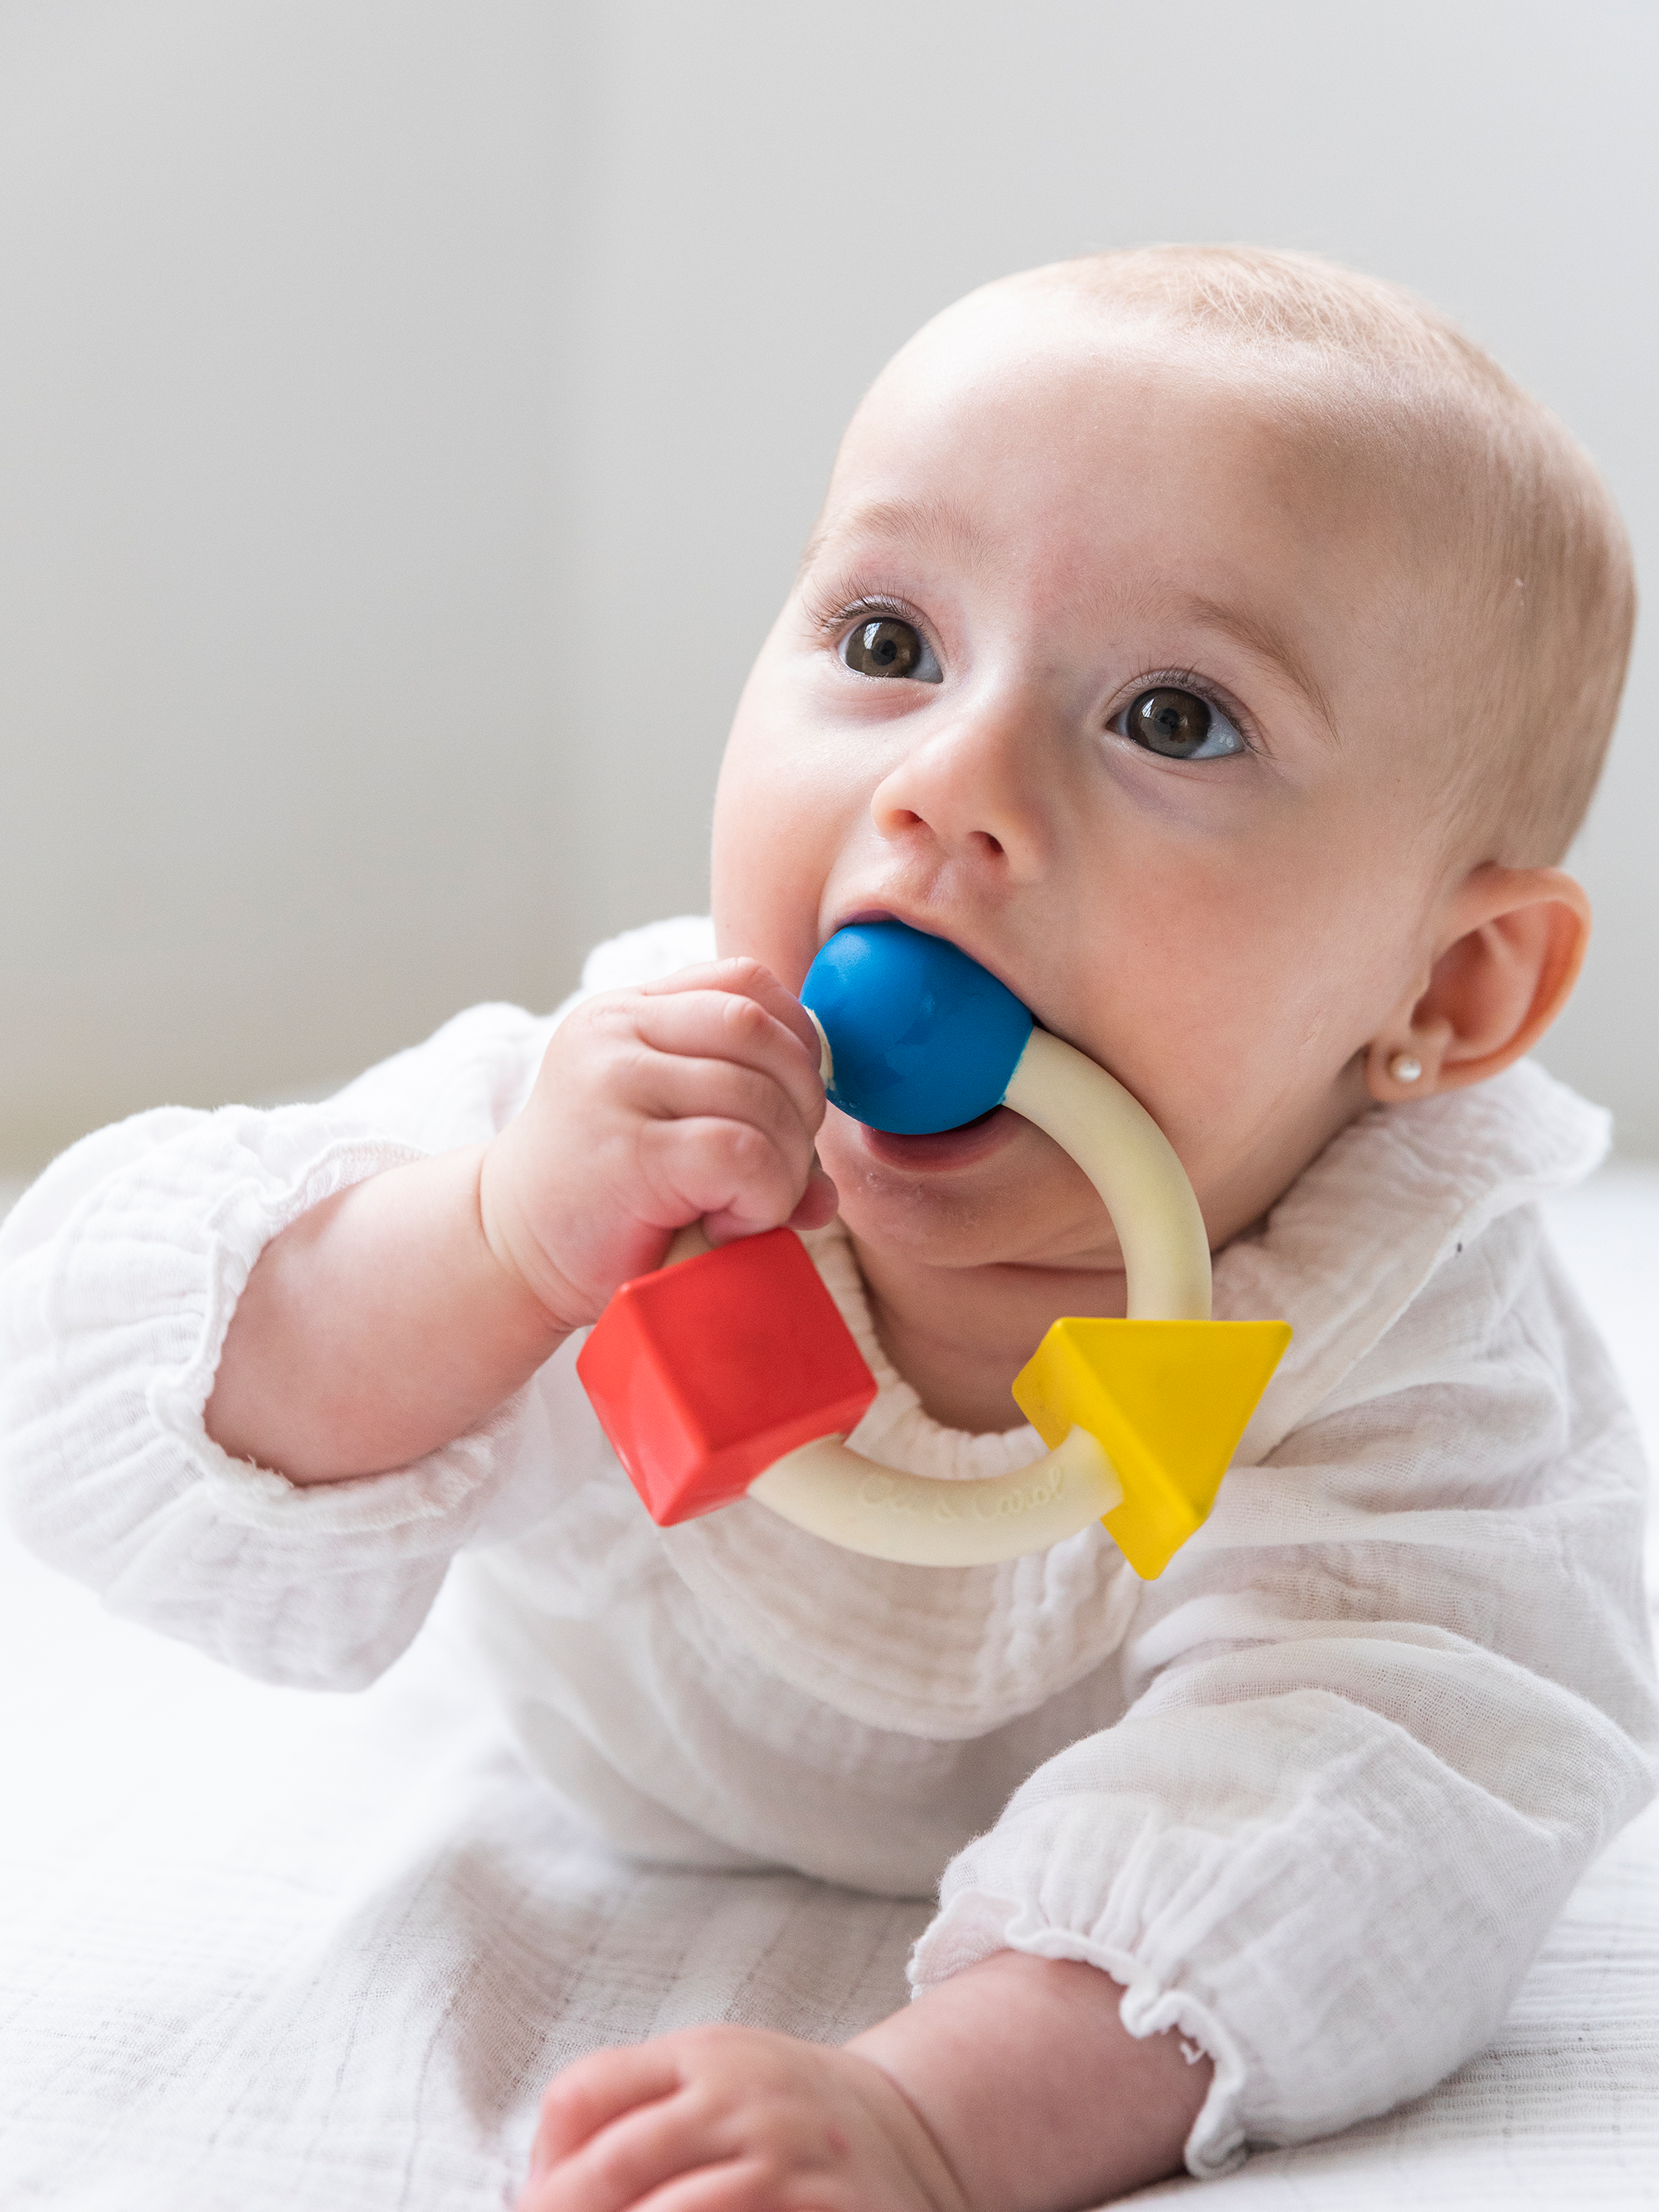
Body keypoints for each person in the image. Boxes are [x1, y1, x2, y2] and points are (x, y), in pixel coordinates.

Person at [2, 246, 1653, 2212]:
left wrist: (940, 2118)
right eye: (886, 640)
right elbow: (127, 1383)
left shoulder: (1397, 1327)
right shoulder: (622, 1131)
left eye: (1176, 718)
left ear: (1446, 994)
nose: (948, 786)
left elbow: (1375, 1792)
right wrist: (501, 1247)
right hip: (632, 1751)